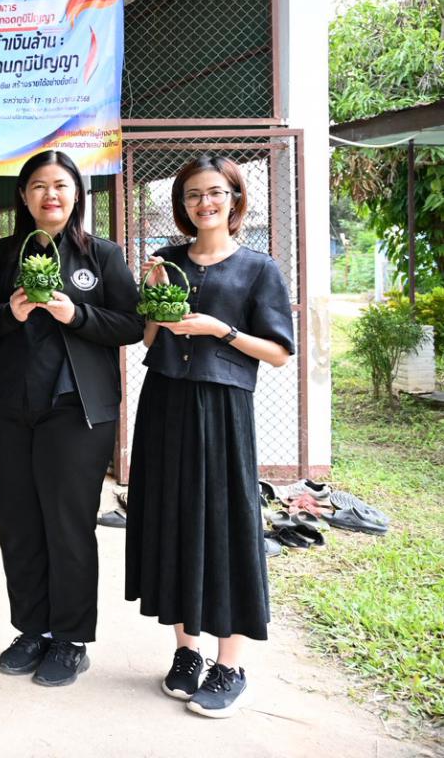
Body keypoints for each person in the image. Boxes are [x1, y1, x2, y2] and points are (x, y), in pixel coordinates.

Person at [126, 155, 294, 719]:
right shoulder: (167, 260)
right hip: (166, 402)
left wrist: (222, 330)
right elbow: (150, 339)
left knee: (225, 524)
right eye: (194, 194)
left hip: (222, 408)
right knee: (173, 518)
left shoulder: (258, 268)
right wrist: (154, 295)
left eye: (216, 192)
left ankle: (231, 664)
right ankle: (186, 652)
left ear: (234, 198)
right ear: (183, 204)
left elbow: (278, 352)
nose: (205, 203)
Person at [0, 150, 143, 688]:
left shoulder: (102, 255)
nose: (51, 194)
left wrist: (78, 314)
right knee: (18, 522)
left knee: (68, 525)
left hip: (76, 411)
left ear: (76, 195)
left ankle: (70, 639)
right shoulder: (1, 256)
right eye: (39, 186)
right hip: (6, 410)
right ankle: (32, 629)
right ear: (24, 197)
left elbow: (131, 324)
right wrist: (10, 313)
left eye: (61, 185)